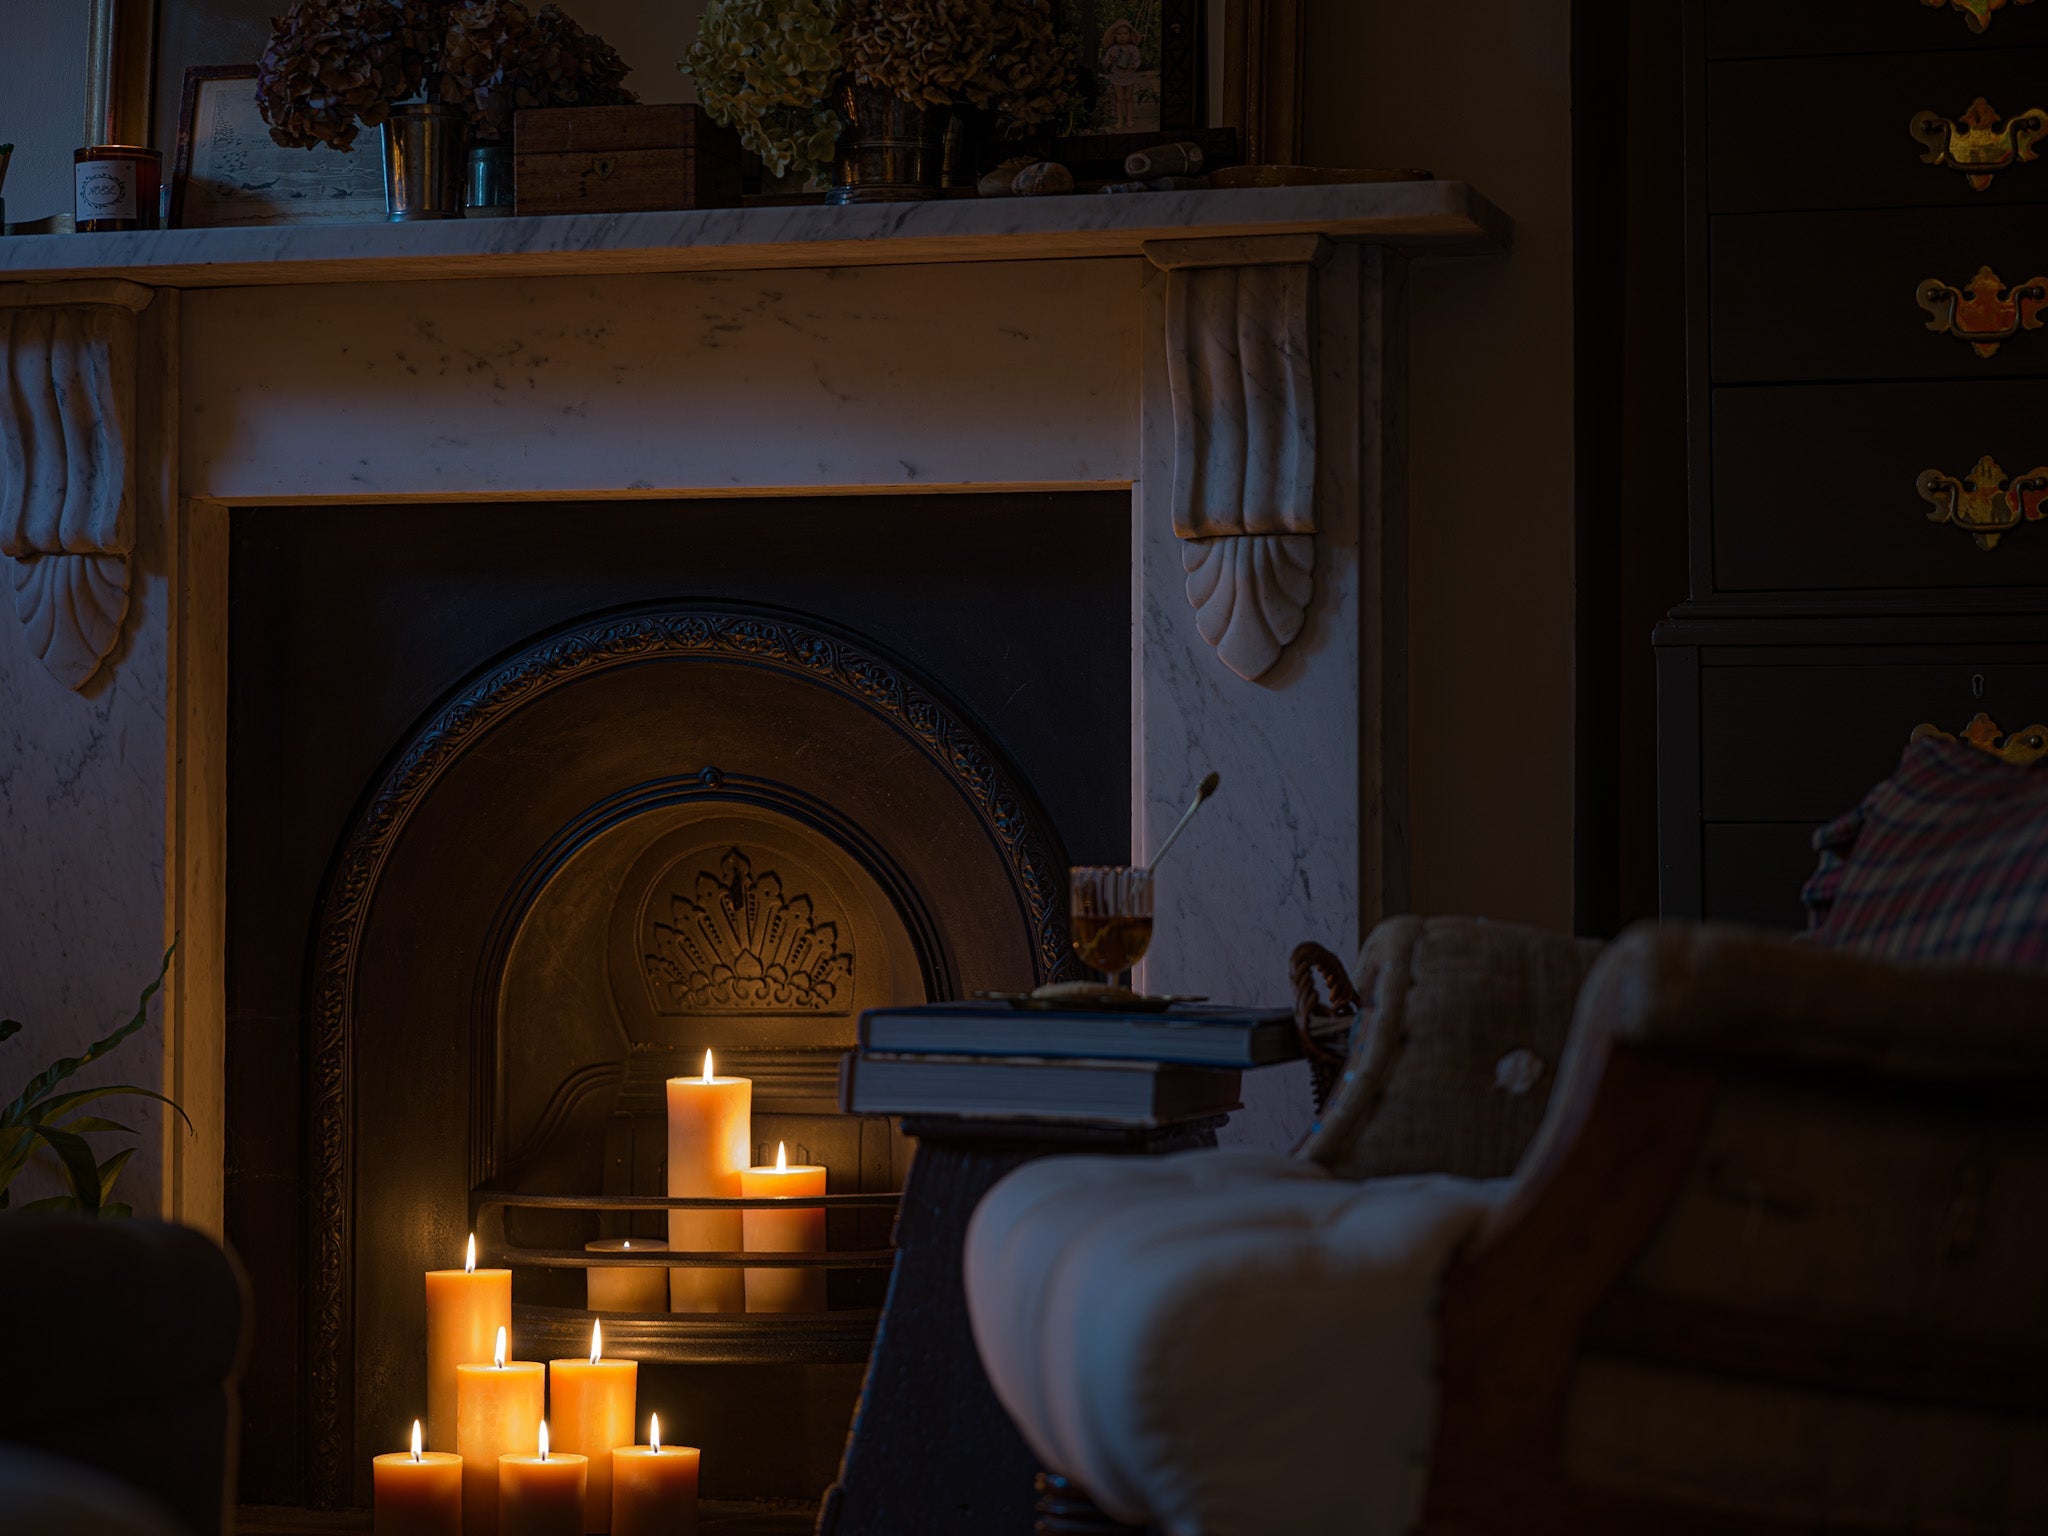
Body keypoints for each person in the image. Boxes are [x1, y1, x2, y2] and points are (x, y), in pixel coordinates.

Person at [1100, 19, 1146, 132]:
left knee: (1129, 98)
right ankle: (1119, 120)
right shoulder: (1113, 49)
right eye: (1119, 34)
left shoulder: (1133, 49)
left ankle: (1129, 119)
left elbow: (1138, 60)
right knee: (1119, 99)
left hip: (1129, 76)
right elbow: (1104, 63)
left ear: (1130, 35)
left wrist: (1134, 66)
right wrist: (1110, 58)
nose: (1122, 37)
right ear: (1114, 36)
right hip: (1116, 77)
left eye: (1125, 33)